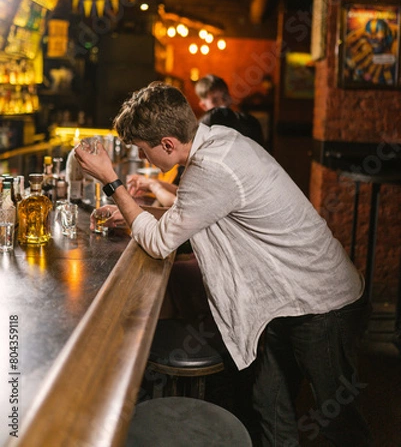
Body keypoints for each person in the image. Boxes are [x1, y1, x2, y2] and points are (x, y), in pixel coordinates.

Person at [75, 82, 372, 447]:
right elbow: (192, 214)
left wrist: (111, 182)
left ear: (168, 143)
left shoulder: (211, 167)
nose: (146, 160)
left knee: (338, 422)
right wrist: (130, 212)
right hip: (282, 303)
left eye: (143, 150)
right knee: (268, 404)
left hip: (323, 303)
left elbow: (158, 243)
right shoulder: (218, 142)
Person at [194, 74, 265, 146]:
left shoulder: (248, 122)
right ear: (203, 106)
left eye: (225, 97)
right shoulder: (201, 131)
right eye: (215, 100)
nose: (222, 103)